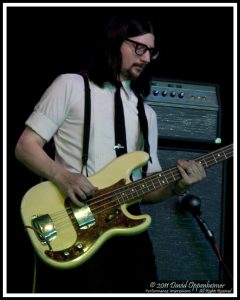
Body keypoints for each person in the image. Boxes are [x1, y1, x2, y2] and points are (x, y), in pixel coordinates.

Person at [15, 13, 206, 294]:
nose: (145, 58)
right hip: (75, 219)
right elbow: (25, 146)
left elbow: (147, 188)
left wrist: (177, 185)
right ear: (114, 42)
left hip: (127, 234)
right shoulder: (71, 86)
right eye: (138, 48)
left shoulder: (146, 114)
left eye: (151, 52)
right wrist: (63, 176)